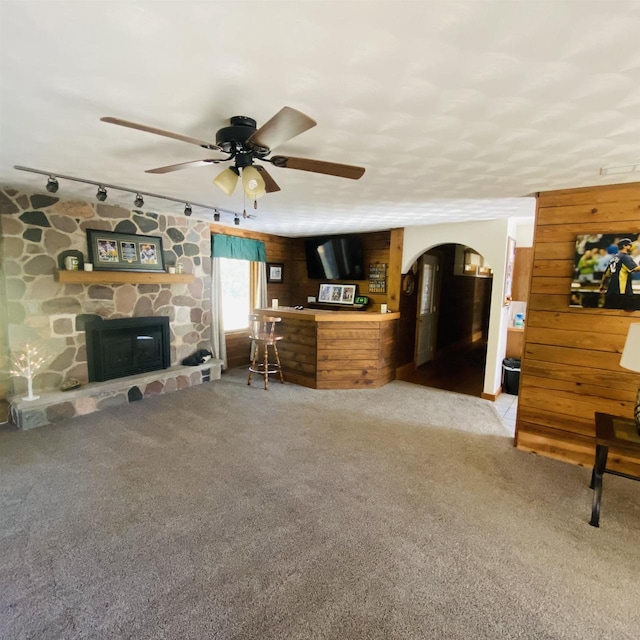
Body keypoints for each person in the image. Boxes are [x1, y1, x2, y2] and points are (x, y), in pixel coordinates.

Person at [599, 238, 640, 307]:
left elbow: (606, 274)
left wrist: (602, 285)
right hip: (622, 292)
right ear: (624, 246)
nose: (631, 247)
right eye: (630, 245)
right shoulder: (625, 257)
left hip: (611, 291)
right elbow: (635, 269)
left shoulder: (613, 258)